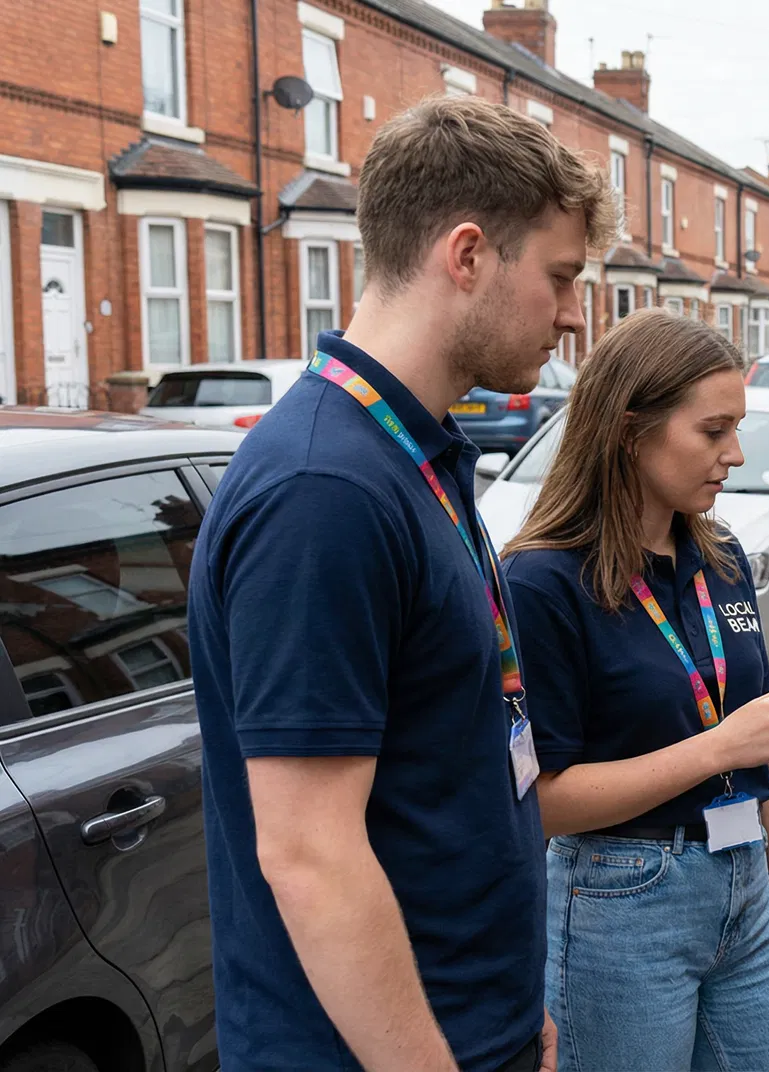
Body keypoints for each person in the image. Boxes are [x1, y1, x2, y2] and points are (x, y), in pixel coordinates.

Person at [189, 95, 615, 1070]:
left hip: (476, 1028)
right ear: (467, 255)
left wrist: (514, 1012)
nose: (573, 314)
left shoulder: (412, 455)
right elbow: (311, 854)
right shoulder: (323, 490)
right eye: (560, 276)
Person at [501, 310, 769, 1071]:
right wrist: (715, 748)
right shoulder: (543, 581)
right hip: (620, 902)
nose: (735, 454)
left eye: (736, 429)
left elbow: (760, 743)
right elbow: (541, 802)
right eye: (713, 431)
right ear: (629, 431)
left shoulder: (721, 556)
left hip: (743, 886)